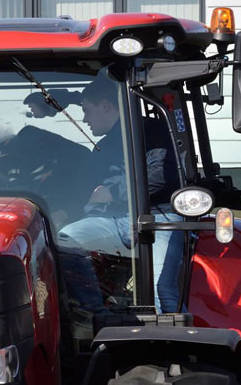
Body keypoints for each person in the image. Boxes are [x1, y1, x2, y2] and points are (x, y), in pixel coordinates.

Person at [57, 78, 184, 314]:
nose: (84, 119)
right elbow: (87, 190)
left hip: (159, 217)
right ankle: (96, 313)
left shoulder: (152, 131)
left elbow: (161, 175)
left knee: (158, 287)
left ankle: (176, 344)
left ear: (105, 105)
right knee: (65, 239)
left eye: (87, 110)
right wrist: (65, 210)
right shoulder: (102, 149)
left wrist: (114, 192)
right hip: (115, 221)